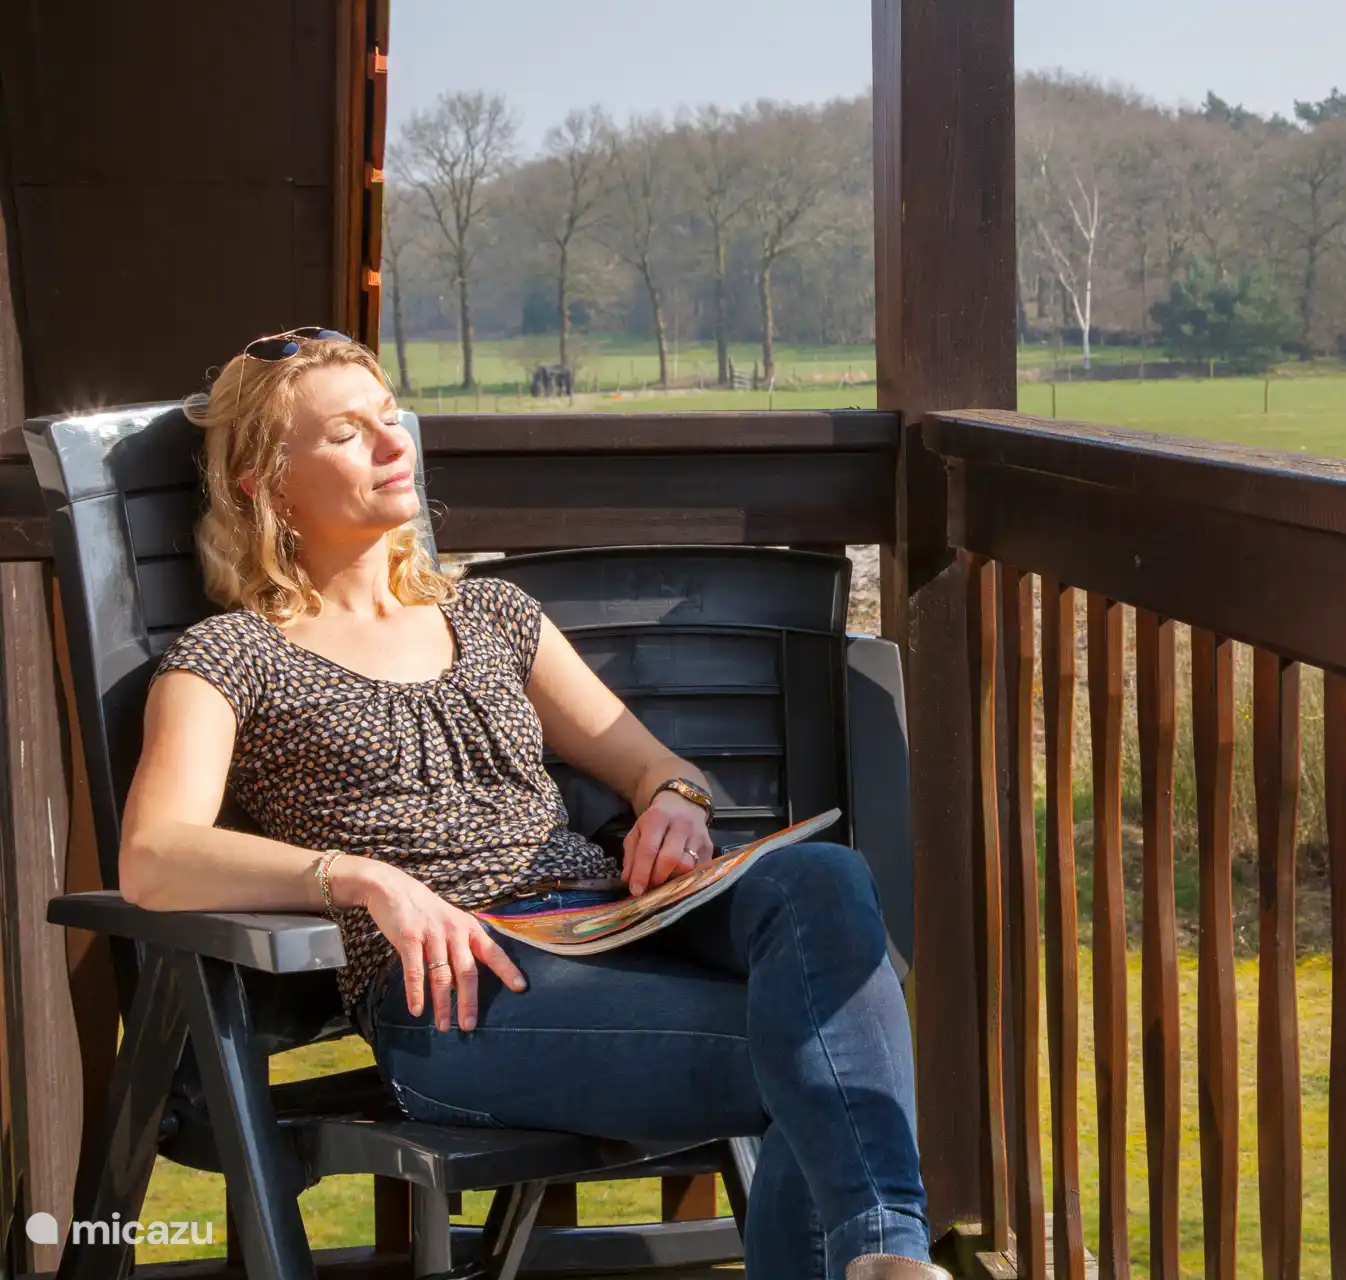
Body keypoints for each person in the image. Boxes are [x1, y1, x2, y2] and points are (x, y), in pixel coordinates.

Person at [117, 328, 948, 1280]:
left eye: (393, 420)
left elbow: (651, 764)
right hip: (461, 992)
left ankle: (883, 1257)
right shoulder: (229, 656)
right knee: (827, 1049)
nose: (396, 446)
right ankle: (885, 1257)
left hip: (615, 921)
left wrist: (674, 801)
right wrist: (354, 877)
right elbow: (153, 854)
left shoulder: (493, 614)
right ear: (265, 483)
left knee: (821, 877)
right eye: (350, 433)